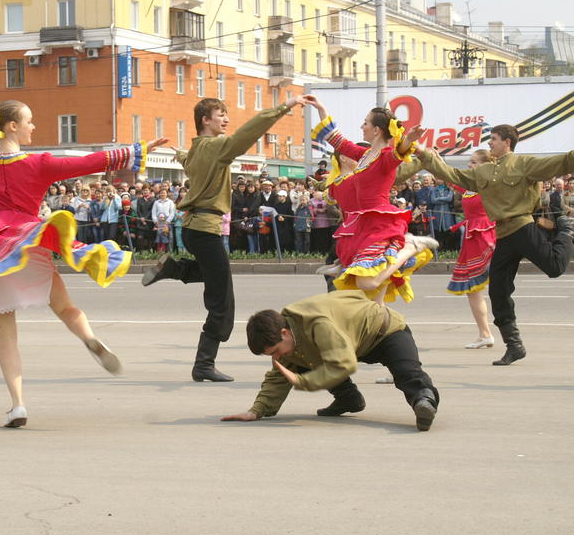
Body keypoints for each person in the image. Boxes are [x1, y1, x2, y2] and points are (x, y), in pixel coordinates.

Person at [0, 99, 168, 427]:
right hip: (29, 243)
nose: (33, 126)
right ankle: (88, 338)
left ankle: (18, 405)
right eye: (29, 121)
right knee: (65, 308)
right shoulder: (39, 162)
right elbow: (88, 162)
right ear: (12, 126)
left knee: (6, 334)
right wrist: (136, 150)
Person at [142, 96, 303, 382]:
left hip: (194, 228)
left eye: (227, 114)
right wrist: (285, 106)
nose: (226, 119)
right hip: (205, 229)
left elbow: (188, 160)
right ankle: (204, 364)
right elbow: (248, 133)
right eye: (220, 115)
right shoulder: (215, 147)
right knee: (222, 302)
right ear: (205, 120)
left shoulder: (196, 149)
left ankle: (173, 268)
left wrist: (179, 153)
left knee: (213, 275)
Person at [414, 128, 574, 365]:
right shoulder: (484, 171)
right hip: (503, 234)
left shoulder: (524, 164)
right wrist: (424, 155)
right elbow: (452, 174)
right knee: (498, 291)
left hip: (522, 227)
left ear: (507, 142)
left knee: (555, 268)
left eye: (494, 140)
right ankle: (514, 345)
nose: (490, 143)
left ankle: (566, 231)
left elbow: (562, 161)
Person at [221, 290, 440, 432]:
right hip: (351, 340)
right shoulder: (286, 338)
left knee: (406, 373)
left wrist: (303, 382)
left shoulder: (316, 323)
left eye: (275, 351)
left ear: (285, 333)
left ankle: (424, 402)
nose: (276, 357)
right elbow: (280, 375)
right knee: (302, 362)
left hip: (384, 331)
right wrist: (256, 410)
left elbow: (344, 363)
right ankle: (349, 400)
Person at [305, 94, 436, 305]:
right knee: (375, 298)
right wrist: (320, 108)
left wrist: (409, 139)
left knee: (368, 283)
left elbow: (400, 151)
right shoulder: (364, 155)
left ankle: (411, 246)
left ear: (376, 130)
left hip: (379, 221)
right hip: (363, 222)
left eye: (365, 123)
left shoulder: (385, 156)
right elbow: (335, 138)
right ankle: (347, 267)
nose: (361, 126)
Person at [447, 149, 496, 349]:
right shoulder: (469, 185)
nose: (469, 165)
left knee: (497, 283)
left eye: (474, 162)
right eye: (470, 162)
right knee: (472, 288)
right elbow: (448, 176)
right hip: (472, 238)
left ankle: (499, 332)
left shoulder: (491, 184)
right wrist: (430, 158)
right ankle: (485, 333)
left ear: (485, 165)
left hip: (486, 233)